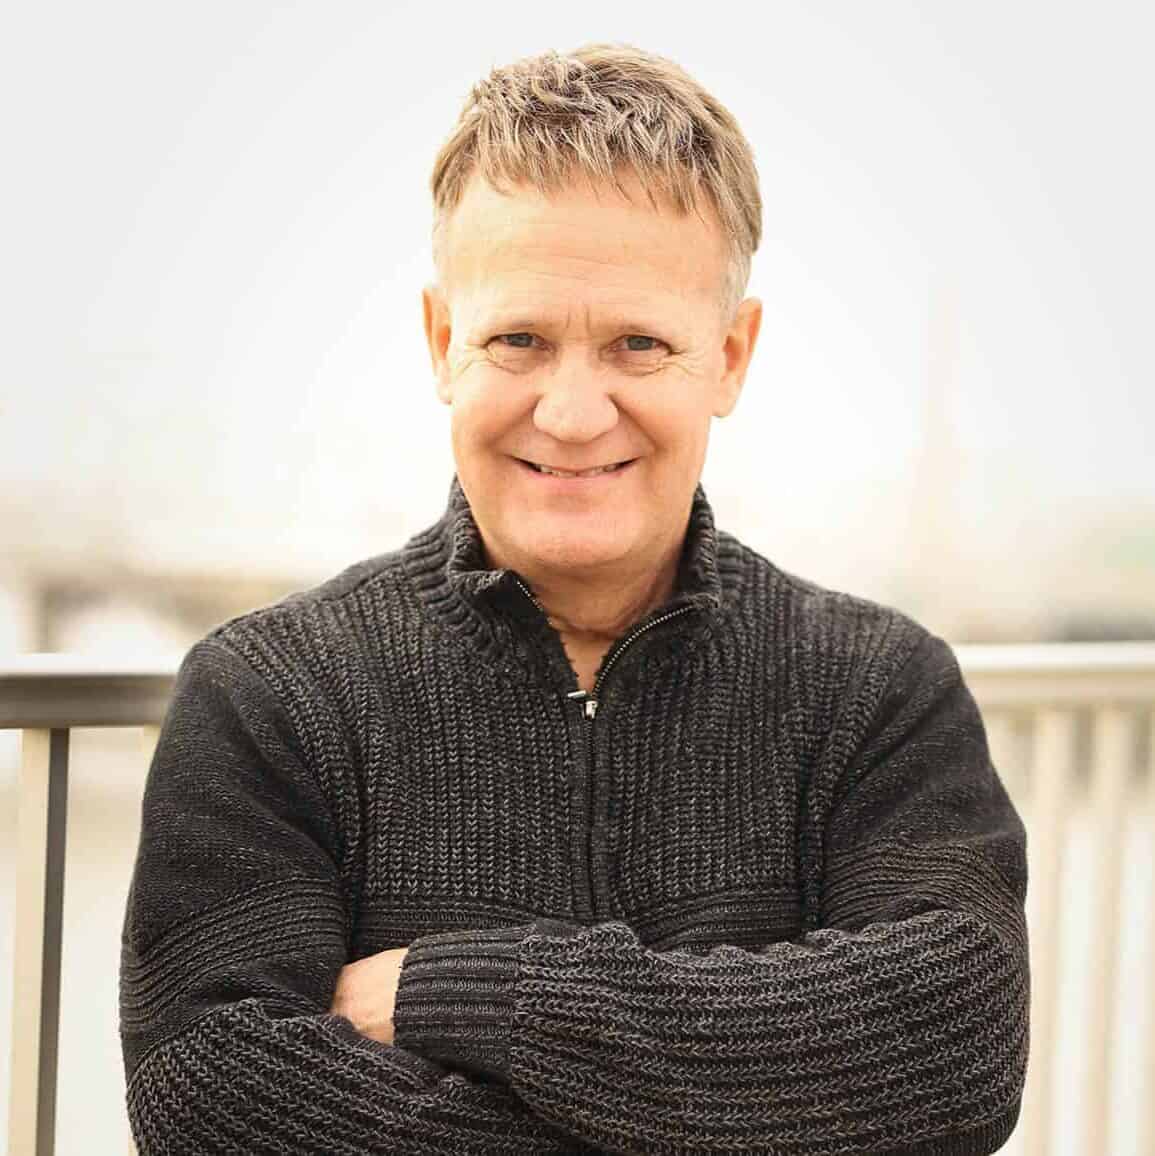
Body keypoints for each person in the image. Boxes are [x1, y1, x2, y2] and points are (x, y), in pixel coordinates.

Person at [119, 42, 1029, 1155]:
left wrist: (473, 994)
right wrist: (751, 1096)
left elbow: (954, 1050)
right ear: (442, 342)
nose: (571, 412)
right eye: (519, 340)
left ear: (730, 357)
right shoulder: (271, 693)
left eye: (639, 345)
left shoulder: (879, 688)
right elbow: (210, 1094)